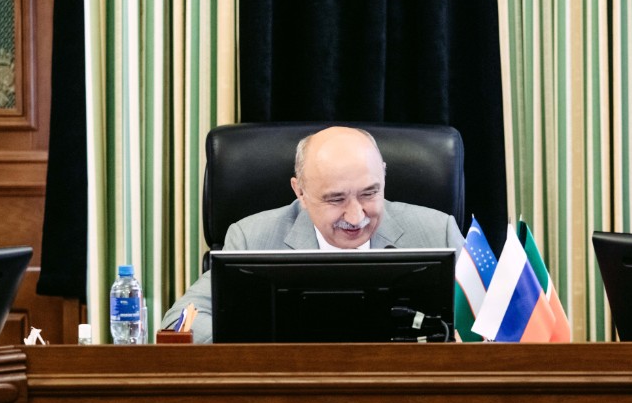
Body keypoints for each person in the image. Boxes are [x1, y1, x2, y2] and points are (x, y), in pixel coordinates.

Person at [160, 125, 466, 342]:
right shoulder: (252, 237)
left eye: (369, 193)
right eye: (336, 199)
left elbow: (487, 327)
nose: (356, 216)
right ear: (301, 192)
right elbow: (180, 322)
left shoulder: (438, 231)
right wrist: (257, 348)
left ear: (384, 176)